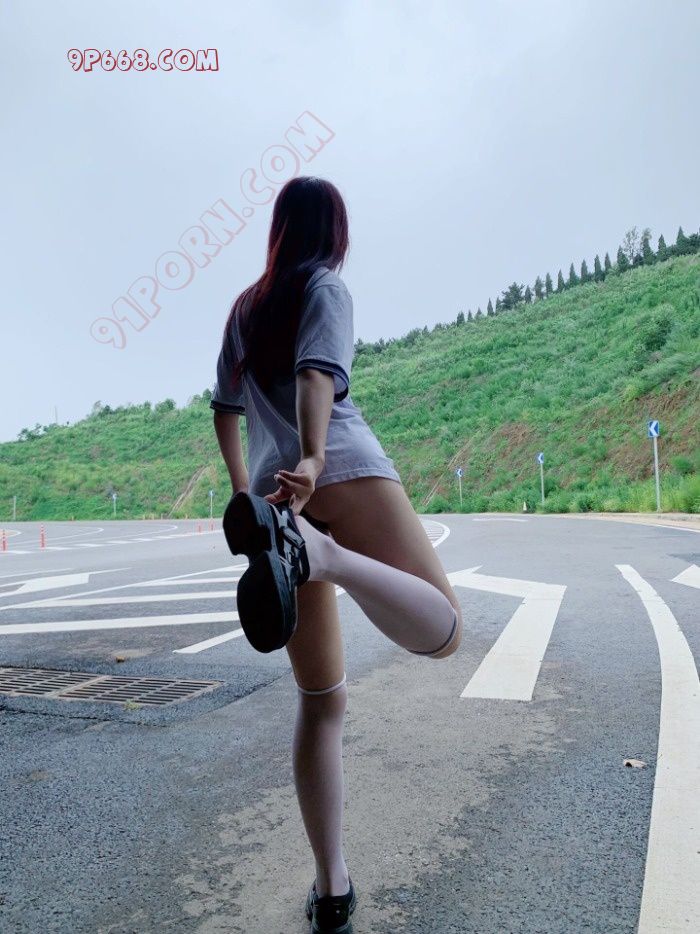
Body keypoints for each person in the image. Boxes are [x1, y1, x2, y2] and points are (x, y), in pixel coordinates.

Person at [211, 176, 463, 934]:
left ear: (279, 229)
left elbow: (225, 408)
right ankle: (326, 558)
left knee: (322, 702)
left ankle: (332, 889)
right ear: (335, 231)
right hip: (339, 470)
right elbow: (318, 372)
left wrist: (247, 494)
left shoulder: (245, 309)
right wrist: (316, 457)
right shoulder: (325, 285)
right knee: (446, 630)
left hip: (273, 497)